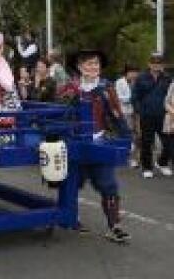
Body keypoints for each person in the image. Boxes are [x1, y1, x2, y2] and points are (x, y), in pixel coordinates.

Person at [64, 49, 131, 243]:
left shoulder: (106, 88)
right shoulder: (70, 88)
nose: (94, 67)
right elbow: (62, 115)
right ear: (79, 66)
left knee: (108, 184)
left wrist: (127, 138)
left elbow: (117, 115)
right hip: (74, 143)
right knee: (72, 184)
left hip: (98, 142)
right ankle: (72, 218)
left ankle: (114, 226)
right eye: (89, 63)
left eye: (96, 64)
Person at [132, 53, 172, 178]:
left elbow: (171, 97)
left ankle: (162, 163)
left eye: (159, 63)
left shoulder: (168, 78)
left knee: (169, 143)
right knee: (146, 142)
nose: (156, 65)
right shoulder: (141, 78)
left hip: (164, 115)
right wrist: (139, 111)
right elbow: (135, 97)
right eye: (154, 63)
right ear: (149, 64)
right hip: (147, 115)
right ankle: (147, 168)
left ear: (163, 65)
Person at [115, 65, 140, 168]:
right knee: (128, 134)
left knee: (138, 135)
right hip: (125, 112)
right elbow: (118, 97)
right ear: (126, 73)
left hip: (137, 112)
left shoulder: (139, 81)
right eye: (131, 72)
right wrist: (131, 98)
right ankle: (128, 158)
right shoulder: (120, 82)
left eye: (135, 72)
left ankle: (136, 158)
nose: (134, 74)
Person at [163, 81, 174, 170]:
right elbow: (166, 102)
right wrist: (172, 112)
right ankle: (162, 162)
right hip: (172, 118)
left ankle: (161, 161)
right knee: (170, 145)